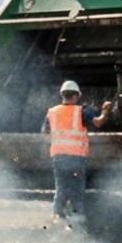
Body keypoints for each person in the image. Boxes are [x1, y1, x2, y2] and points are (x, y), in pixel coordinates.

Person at [43, 80, 111, 221]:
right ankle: (76, 216)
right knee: (77, 187)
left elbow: (45, 131)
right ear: (76, 96)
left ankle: (58, 215)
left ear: (62, 95)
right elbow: (98, 122)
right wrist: (105, 111)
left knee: (61, 187)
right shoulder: (80, 112)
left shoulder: (52, 112)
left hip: (58, 156)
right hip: (76, 157)